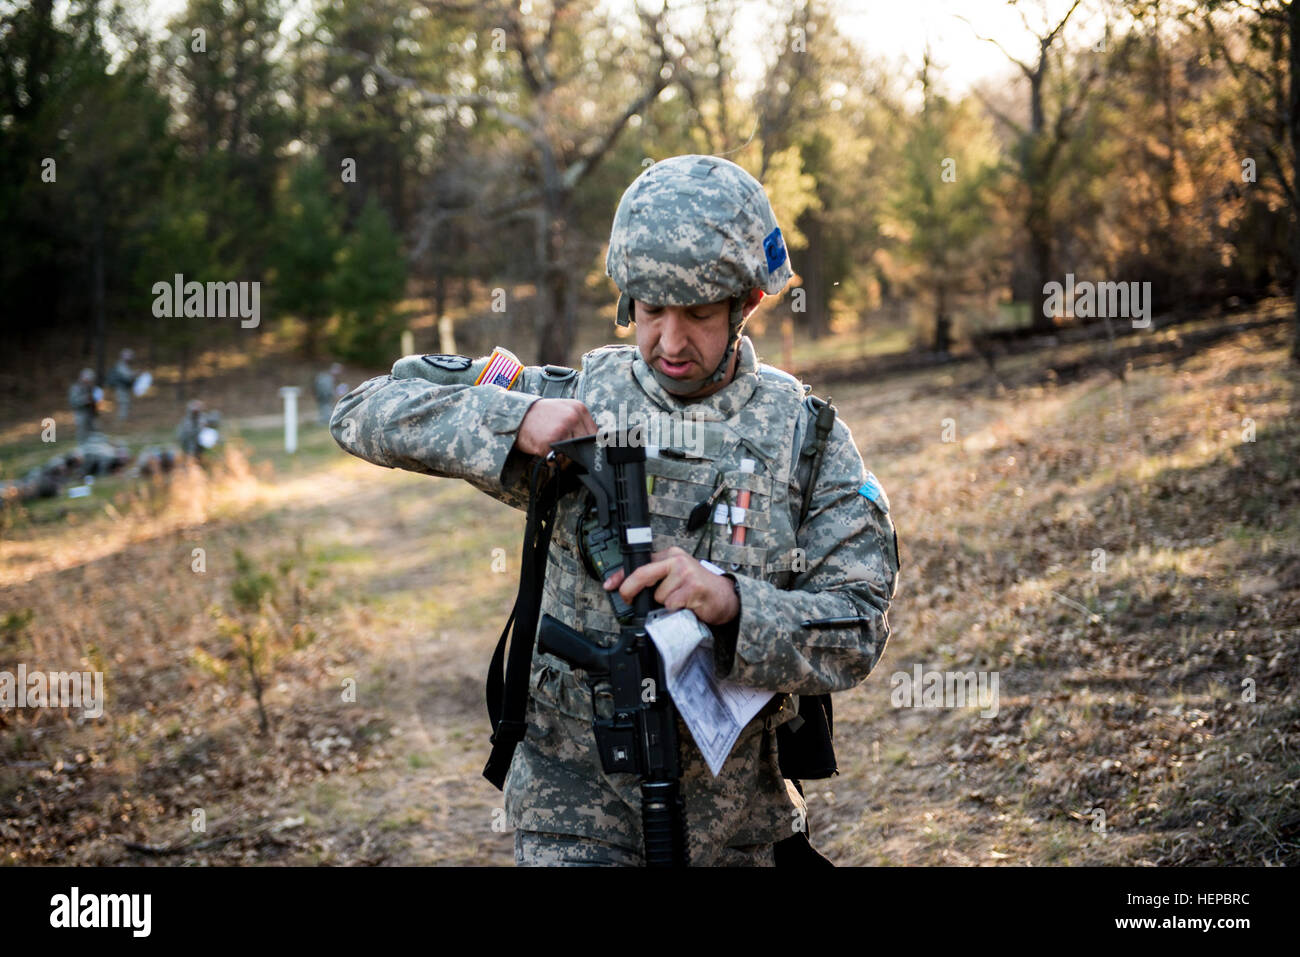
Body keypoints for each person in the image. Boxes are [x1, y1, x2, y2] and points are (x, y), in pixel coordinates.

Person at [330, 154, 900, 866]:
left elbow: (857, 624)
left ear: (746, 302)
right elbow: (363, 410)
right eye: (650, 310)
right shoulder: (579, 404)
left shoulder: (806, 439)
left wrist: (731, 602)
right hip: (574, 810)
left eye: (695, 314)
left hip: (738, 828)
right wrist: (514, 422)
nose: (668, 341)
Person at [107, 349, 138, 421]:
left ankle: (124, 420)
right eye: (129, 357)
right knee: (124, 404)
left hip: (124, 388)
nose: (130, 359)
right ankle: (121, 421)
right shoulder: (120, 365)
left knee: (126, 404)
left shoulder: (124, 365)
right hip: (121, 389)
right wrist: (134, 374)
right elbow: (127, 376)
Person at [69, 369, 98, 442]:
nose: (89, 381)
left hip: (91, 414)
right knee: (82, 434)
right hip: (80, 414)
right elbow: (73, 402)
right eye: (88, 379)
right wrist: (85, 400)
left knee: (93, 433)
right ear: (82, 378)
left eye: (91, 379)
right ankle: (82, 448)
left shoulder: (90, 388)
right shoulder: (75, 388)